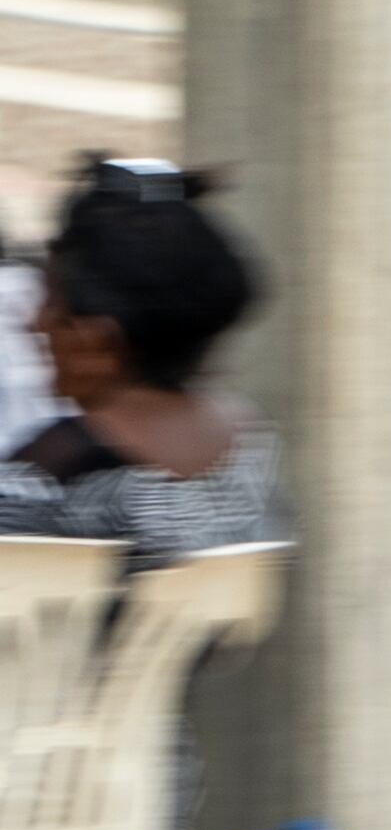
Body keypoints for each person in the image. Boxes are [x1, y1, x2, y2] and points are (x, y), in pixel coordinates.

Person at [0, 158, 284, 568]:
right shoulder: (251, 445)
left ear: (98, 342)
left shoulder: (43, 481)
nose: (33, 324)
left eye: (50, 303)